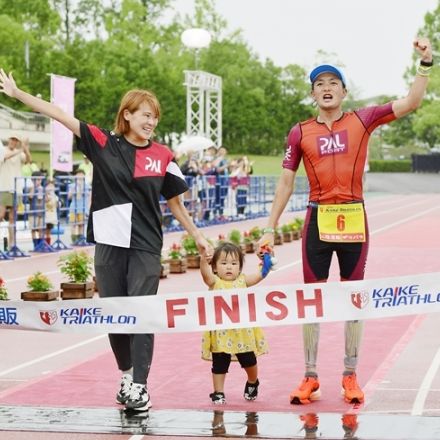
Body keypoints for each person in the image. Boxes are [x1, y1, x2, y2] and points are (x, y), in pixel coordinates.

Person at [0, 69, 213, 412]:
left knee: (142, 313)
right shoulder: (102, 142)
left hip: (145, 245)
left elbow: (176, 203)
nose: (151, 121)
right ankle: (127, 377)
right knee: (116, 314)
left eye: (155, 117)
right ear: (127, 114)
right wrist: (18, 93)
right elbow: (58, 114)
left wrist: (198, 236)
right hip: (109, 243)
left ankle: (141, 387)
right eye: (145, 114)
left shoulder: (162, 156)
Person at [258, 37, 433, 405]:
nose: (326, 88)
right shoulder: (300, 131)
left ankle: (350, 376)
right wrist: (270, 227)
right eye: (319, 84)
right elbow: (286, 181)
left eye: (332, 83)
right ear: (312, 94)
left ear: (343, 91)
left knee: (353, 297)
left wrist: (425, 63)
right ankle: (309, 376)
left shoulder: (362, 119)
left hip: (353, 217)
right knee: (312, 299)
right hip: (317, 220)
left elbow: (413, 102)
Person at [200, 242, 271, 405]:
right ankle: (218, 392)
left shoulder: (243, 281)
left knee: (249, 361)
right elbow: (205, 274)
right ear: (215, 267)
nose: (229, 267)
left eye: (234, 263)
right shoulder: (214, 282)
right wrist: (204, 261)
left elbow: (260, 275)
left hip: (242, 333)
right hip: (220, 333)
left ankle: (253, 381)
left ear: (240, 267)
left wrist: (266, 261)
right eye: (223, 263)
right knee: (219, 363)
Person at [0, 134, 32, 250]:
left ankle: (12, 244)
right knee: (1, 215)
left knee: (13, 218)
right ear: (9, 140)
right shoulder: (3, 150)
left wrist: (26, 148)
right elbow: (6, 156)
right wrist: (20, 149)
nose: (14, 142)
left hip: (16, 189)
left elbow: (29, 160)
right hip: (4, 187)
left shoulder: (19, 153)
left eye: (16, 140)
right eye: (12, 139)